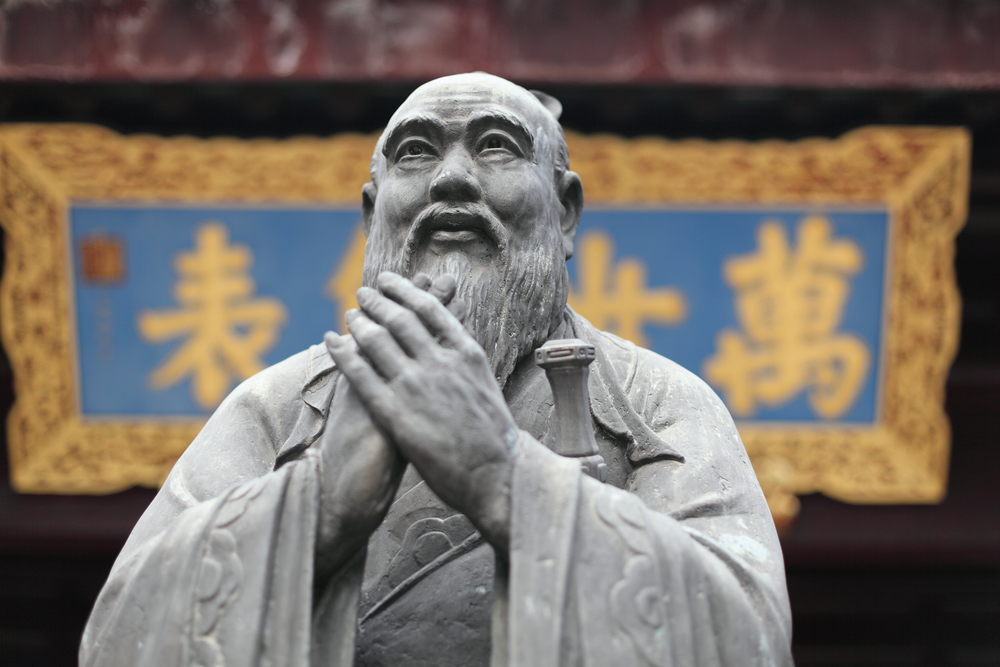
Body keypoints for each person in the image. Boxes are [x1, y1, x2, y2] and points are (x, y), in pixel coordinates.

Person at [81, 72, 793, 667]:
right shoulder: (277, 409)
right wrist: (320, 508)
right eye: (416, 152)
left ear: (567, 211)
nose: (452, 178)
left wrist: (504, 477)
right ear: (372, 212)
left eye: (496, 147)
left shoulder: (654, 401)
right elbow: (119, 639)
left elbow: (748, 637)